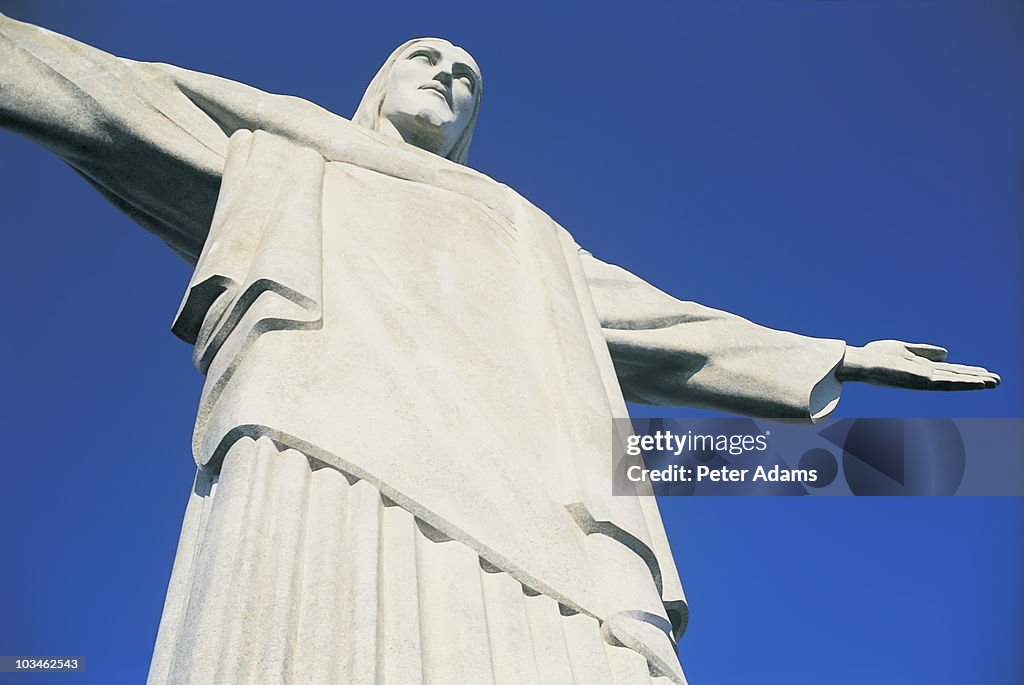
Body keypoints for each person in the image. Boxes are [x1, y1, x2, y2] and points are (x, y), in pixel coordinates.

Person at [0, 13, 999, 685]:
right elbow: (103, 100)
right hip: (327, 431)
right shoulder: (286, 149)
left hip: (538, 498)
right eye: (425, 59)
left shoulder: (523, 233)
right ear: (377, 82)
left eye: (465, 78)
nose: (446, 76)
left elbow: (660, 322)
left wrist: (840, 353)